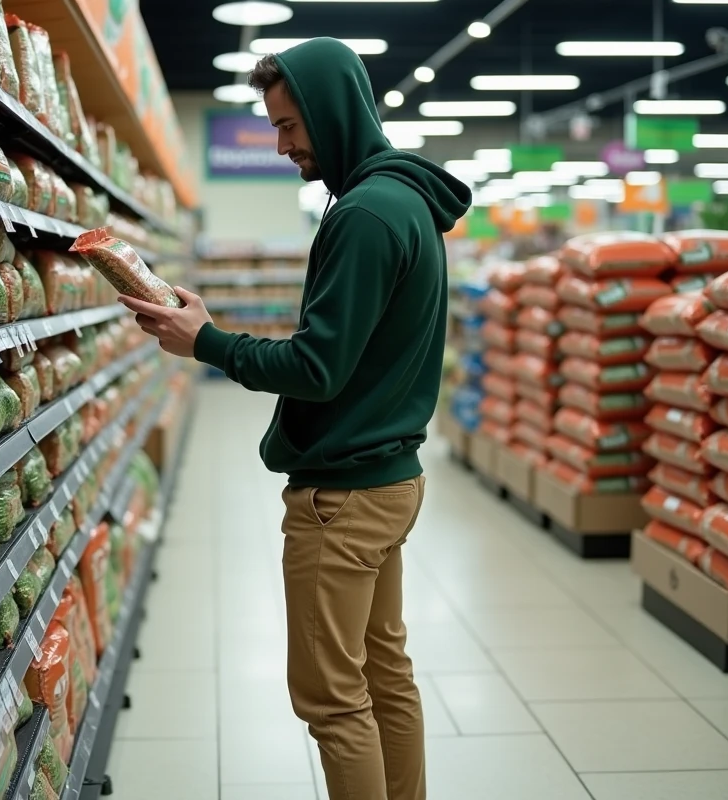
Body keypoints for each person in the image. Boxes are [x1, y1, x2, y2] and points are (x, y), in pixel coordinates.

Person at [117, 37, 470, 800]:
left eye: (287, 126)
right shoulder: (402, 202)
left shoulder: (366, 216)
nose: (280, 146)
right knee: (384, 673)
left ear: (331, 110)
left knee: (333, 700)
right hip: (388, 480)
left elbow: (318, 369)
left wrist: (206, 342)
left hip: (342, 499)